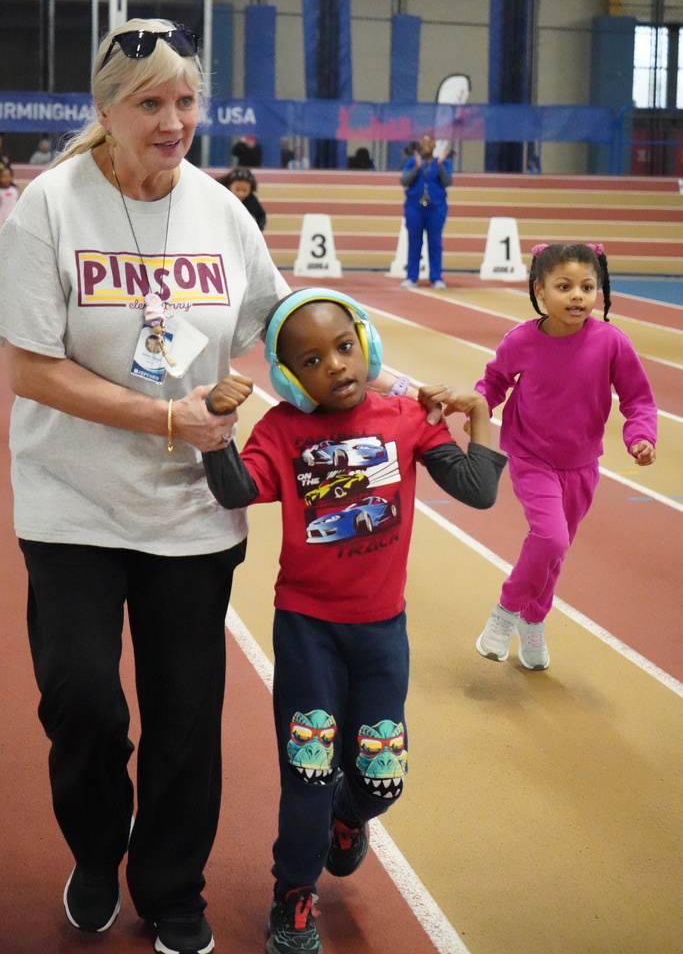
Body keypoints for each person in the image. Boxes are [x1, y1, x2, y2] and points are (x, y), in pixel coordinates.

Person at [0, 17, 289, 954]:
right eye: (150, 103)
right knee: (80, 697)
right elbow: (31, 369)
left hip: (189, 511)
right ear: (106, 110)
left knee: (183, 713)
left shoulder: (220, 210)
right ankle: (95, 849)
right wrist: (166, 415)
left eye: (186, 101)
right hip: (71, 499)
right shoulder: (48, 207)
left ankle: (171, 887)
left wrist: (382, 386)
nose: (173, 122)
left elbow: (281, 329)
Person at [200, 287, 507, 954]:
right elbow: (234, 490)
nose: (334, 366)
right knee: (308, 770)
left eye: (343, 348)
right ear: (286, 377)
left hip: (380, 639)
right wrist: (217, 426)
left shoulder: (404, 418)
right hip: (308, 633)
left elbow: (478, 491)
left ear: (365, 344)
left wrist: (479, 415)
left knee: (380, 778)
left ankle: (349, 818)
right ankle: (294, 896)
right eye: (310, 361)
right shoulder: (281, 431)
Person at [472, 243, 657, 671]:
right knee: (550, 538)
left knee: (556, 550)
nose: (577, 295)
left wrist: (641, 436)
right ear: (539, 290)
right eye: (564, 286)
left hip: (582, 463)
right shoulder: (521, 340)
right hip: (530, 454)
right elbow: (495, 379)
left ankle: (534, 623)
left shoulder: (611, 342)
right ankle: (505, 613)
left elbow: (638, 400)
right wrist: (481, 405)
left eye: (587, 287)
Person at [399, 133, 452, 290]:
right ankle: (411, 277)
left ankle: (436, 278)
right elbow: (404, 181)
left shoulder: (444, 162)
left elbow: (448, 182)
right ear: (421, 146)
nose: (427, 144)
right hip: (414, 208)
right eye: (424, 142)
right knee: (414, 242)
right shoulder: (412, 162)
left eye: (430, 142)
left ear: (434, 146)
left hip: (436, 209)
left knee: (435, 243)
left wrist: (441, 166)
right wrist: (416, 168)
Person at [218, 166, 267, 231]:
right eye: (237, 189)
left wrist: (257, 231)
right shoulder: (221, 196)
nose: (241, 194)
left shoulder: (251, 200)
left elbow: (261, 215)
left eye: (244, 190)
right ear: (229, 186)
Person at [0, 162, 19, 229]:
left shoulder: (14, 190)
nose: (6, 180)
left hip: (12, 221)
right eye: (3, 177)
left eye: (8, 177)